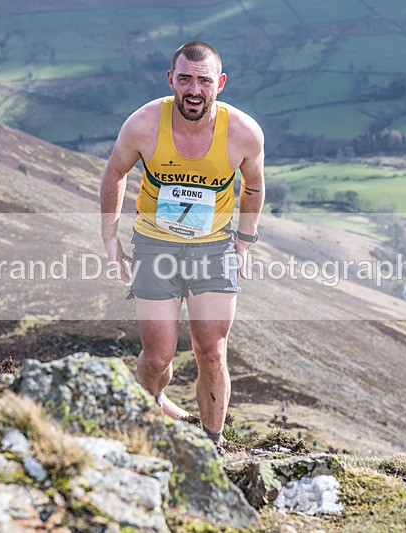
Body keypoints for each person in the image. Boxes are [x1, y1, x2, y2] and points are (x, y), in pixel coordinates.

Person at [100, 41, 265, 445]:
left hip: (213, 248)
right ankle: (152, 405)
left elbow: (254, 186)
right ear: (171, 79)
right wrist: (109, 237)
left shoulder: (243, 132)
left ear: (219, 84)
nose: (194, 90)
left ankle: (213, 441)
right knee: (158, 358)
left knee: (212, 350)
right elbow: (114, 173)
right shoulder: (142, 124)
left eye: (204, 80)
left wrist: (243, 242)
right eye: (186, 79)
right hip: (155, 246)